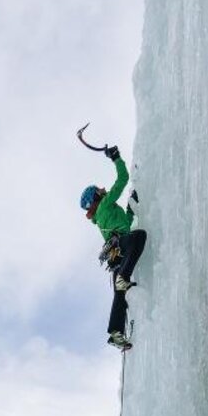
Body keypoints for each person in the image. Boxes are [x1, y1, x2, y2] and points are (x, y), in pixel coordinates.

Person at [80, 144, 147, 350]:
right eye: (99, 190)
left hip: (116, 256)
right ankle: (123, 278)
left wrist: (130, 209)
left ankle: (115, 332)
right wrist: (116, 158)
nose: (103, 189)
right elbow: (122, 180)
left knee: (120, 295)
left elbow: (124, 224)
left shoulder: (101, 217)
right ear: (97, 198)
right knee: (139, 237)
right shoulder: (106, 204)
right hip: (122, 250)